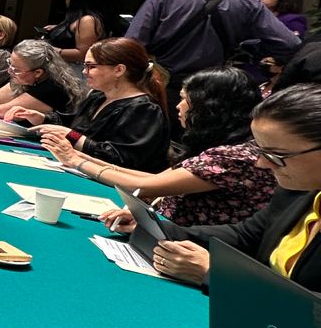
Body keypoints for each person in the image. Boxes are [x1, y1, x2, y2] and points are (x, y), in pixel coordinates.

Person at [103, 84, 321, 290]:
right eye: (260, 150)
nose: (262, 163)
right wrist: (156, 228)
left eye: (277, 156)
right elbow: (244, 235)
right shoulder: (297, 192)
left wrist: (214, 273)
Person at [75, 69, 272, 228]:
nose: (178, 106)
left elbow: (144, 186)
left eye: (186, 99)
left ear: (209, 107)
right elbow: (155, 179)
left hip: (190, 249)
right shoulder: (224, 145)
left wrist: (77, 161)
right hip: (169, 233)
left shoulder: (232, 156)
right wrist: (80, 157)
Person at [127, 0, 300, 112]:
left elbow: (132, 44)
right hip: (213, 88)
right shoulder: (249, 4)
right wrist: (251, 49)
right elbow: (290, 43)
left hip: (162, 83)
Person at [11, 37, 172, 173]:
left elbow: (123, 159)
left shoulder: (144, 110)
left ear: (119, 70)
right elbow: (72, 122)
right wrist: (41, 118)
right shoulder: (98, 96)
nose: (84, 71)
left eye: (91, 67)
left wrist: (72, 136)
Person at [0, 39, 83, 119]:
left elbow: (1, 111)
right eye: (10, 63)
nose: (9, 71)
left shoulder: (53, 87)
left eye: (16, 69)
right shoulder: (26, 77)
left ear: (38, 72)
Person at [43, 0, 111, 67]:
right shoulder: (77, 18)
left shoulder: (88, 20)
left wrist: (48, 50)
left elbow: (83, 54)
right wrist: (60, 28)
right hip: (62, 67)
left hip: (74, 70)